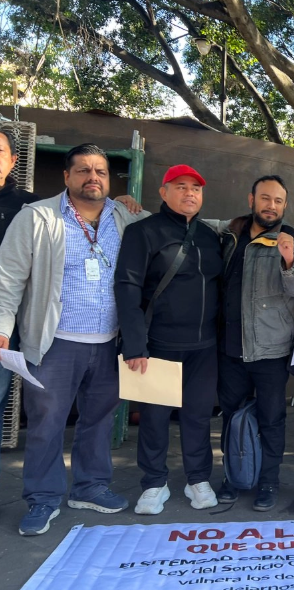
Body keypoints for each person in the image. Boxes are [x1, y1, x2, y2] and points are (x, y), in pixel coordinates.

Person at [0, 144, 145, 536]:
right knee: (46, 422)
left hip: (110, 342)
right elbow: (7, 279)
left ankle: (90, 487)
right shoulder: (37, 217)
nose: (92, 177)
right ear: (66, 176)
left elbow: (168, 225)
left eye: (100, 171)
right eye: (83, 170)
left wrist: (129, 202)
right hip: (54, 342)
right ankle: (42, 498)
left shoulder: (125, 217)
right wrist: (2, 329)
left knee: (98, 419)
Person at [115, 164, 223, 515]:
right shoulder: (143, 231)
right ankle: (153, 483)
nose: (189, 193)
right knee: (154, 419)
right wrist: (135, 345)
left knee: (198, 417)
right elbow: (127, 288)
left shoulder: (210, 235)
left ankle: (198, 479)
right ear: (163, 192)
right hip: (158, 345)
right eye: (181, 186)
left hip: (204, 346)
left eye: (196, 188)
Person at [215, 175, 294, 511]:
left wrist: (288, 259)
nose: (271, 206)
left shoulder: (292, 239)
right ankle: (233, 477)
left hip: (271, 350)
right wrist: (130, 207)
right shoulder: (231, 233)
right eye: (265, 198)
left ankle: (268, 482)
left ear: (285, 205)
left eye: (278, 201)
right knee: (231, 417)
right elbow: (190, 220)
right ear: (252, 200)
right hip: (230, 348)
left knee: (271, 420)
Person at [0, 129, 39, 450]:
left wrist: (120, 202)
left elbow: (82, 208)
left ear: (13, 160)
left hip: (3, 317)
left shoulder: (30, 207)